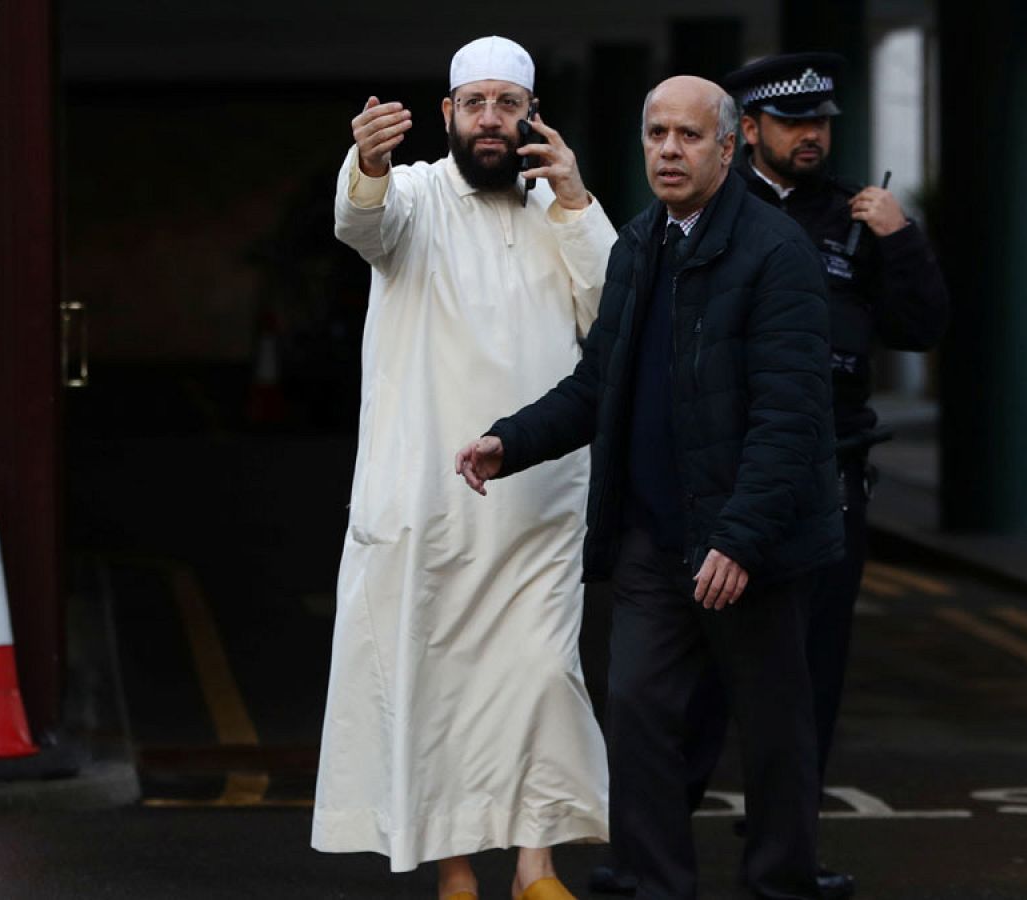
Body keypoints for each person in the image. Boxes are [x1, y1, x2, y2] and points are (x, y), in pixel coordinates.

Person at [455, 75, 842, 900]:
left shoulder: (778, 254)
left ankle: (782, 884)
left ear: (728, 149)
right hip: (654, 542)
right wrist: (507, 440)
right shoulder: (638, 244)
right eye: (656, 133)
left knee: (774, 736)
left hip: (753, 550)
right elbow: (598, 384)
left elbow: (792, 416)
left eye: (689, 136)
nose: (669, 150)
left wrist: (740, 538)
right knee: (637, 719)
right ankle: (657, 884)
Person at [311, 35, 615, 900]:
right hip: (428, 500)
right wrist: (366, 160)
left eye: (507, 105)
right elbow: (359, 223)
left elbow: (611, 311)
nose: (492, 120)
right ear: (447, 115)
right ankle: (453, 868)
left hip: (541, 501)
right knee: (435, 683)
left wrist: (577, 197)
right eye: (475, 104)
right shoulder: (410, 195)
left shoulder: (560, 208)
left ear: (532, 115)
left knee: (542, 678)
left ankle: (536, 864)